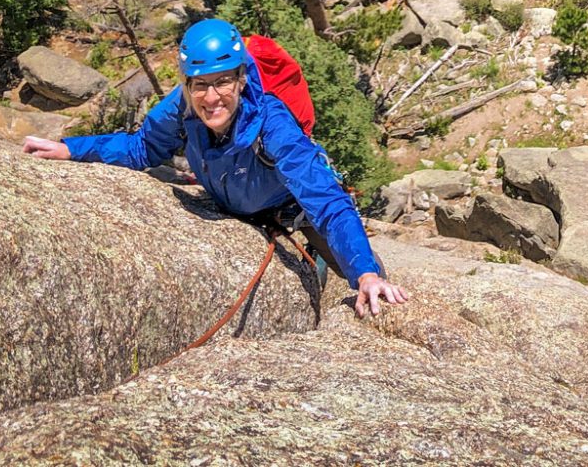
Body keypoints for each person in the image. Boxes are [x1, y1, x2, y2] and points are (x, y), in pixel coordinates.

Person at [23, 18, 408, 318]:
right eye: (200, 85)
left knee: (362, 278)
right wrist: (71, 149)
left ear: (242, 78)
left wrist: (366, 274)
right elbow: (140, 148)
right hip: (234, 200)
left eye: (223, 82)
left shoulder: (273, 124)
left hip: (294, 209)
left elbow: (325, 200)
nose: (211, 97)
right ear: (187, 84)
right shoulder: (180, 107)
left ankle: (350, 270)